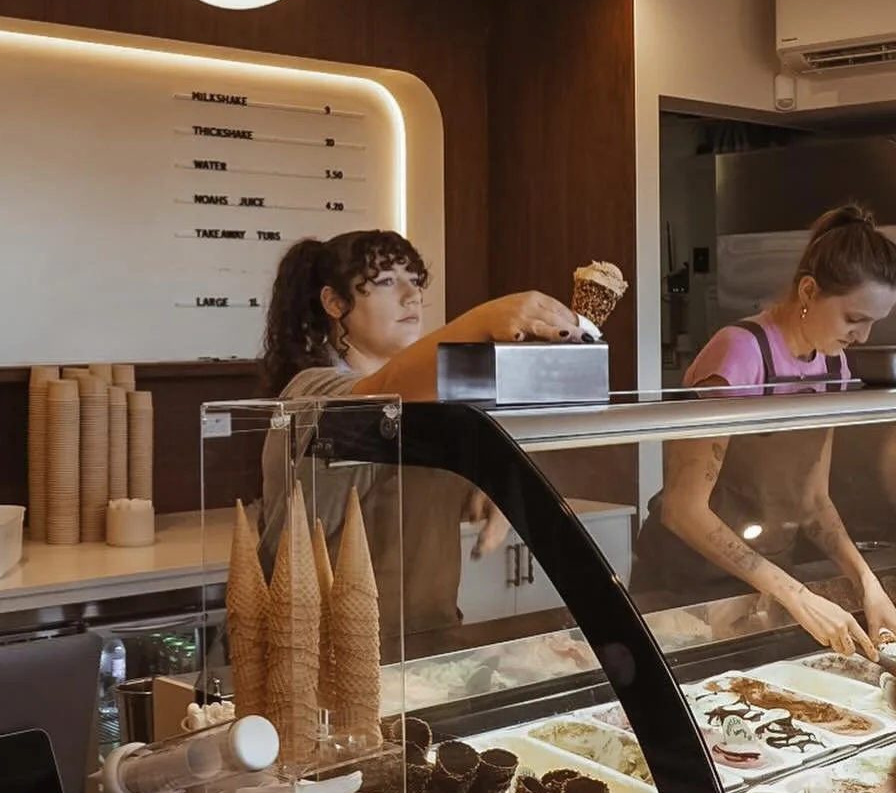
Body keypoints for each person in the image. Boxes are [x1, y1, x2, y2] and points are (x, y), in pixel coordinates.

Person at [257, 230, 579, 649]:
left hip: (430, 644)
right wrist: (485, 319)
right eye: (387, 281)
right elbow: (384, 390)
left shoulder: (431, 410)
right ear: (335, 303)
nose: (412, 297)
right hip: (322, 651)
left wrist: (495, 488)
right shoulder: (311, 390)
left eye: (416, 281)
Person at [630, 204, 896, 657]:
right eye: (855, 319)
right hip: (688, 583)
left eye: (874, 321)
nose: (864, 337)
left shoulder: (833, 366)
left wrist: (867, 582)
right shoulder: (739, 353)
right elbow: (682, 507)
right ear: (809, 290)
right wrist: (794, 595)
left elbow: (813, 502)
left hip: (769, 577)